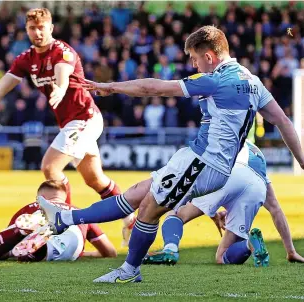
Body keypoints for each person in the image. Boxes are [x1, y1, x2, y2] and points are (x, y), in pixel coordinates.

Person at [39, 25, 304, 283]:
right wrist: (302, 162)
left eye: (195, 59)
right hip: (201, 160)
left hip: (203, 163)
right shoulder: (253, 82)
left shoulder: (216, 79)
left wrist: (112, 87)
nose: (194, 65)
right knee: (135, 194)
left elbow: (154, 88)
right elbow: (283, 122)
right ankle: (65, 219)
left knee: (148, 210)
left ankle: (129, 270)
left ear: (209, 56)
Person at [0, 8, 135, 244]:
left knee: (50, 168)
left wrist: (61, 89)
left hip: (85, 118)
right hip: (72, 124)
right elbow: (0, 88)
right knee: (96, 180)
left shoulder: (62, 51)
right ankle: (131, 220)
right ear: (26, 30)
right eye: (32, 28)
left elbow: (62, 74)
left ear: (51, 28)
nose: (37, 32)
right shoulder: (26, 59)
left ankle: (68, 228)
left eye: (42, 27)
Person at [143, 140, 304, 266]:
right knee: (222, 256)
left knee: (176, 213)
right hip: (257, 186)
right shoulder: (255, 151)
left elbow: (201, 180)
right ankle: (249, 244)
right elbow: (275, 209)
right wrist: (291, 250)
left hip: (228, 173)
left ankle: (170, 249)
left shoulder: (223, 138)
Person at [0, 180, 117, 262]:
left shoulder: (32, 207)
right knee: (64, 248)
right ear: (63, 198)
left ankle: (27, 236)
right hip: (73, 239)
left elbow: (6, 243)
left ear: (40, 198)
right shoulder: (78, 211)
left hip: (39, 218)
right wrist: (82, 253)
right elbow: (110, 252)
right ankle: (43, 248)